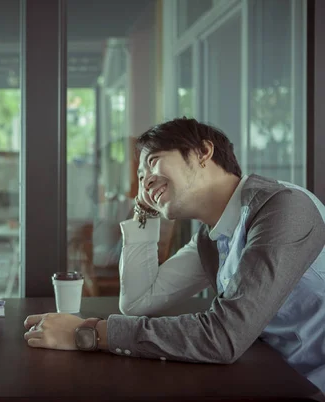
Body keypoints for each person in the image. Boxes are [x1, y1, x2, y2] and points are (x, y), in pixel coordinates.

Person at [24, 117, 325, 392]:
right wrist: (145, 211)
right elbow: (138, 303)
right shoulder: (211, 238)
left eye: (153, 162)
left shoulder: (283, 209)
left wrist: (87, 333)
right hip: (273, 376)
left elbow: (223, 337)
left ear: (203, 152)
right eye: (140, 178)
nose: (144, 183)